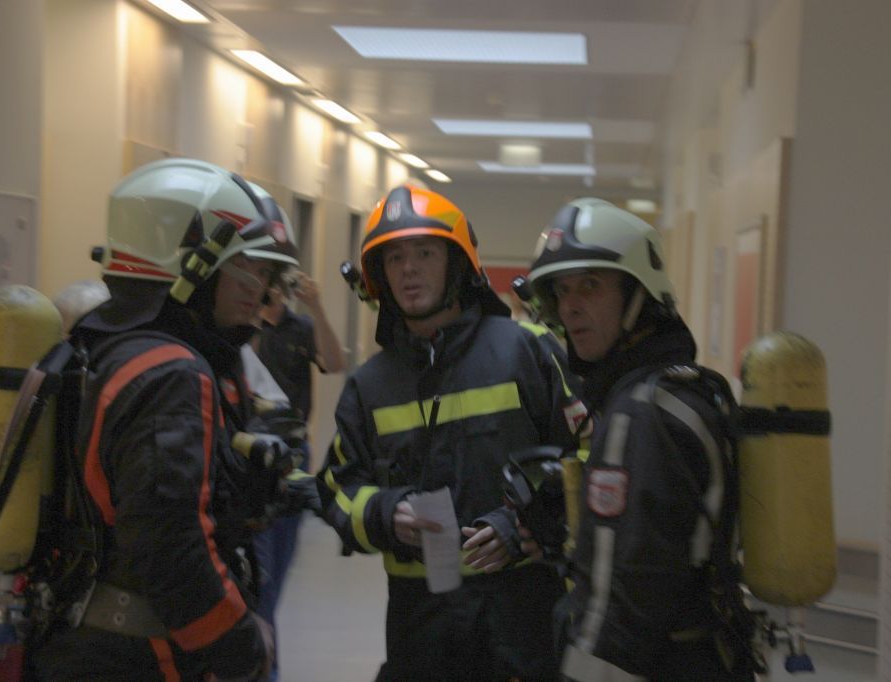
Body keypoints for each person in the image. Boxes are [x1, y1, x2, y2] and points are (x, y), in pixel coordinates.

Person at [32, 158, 301, 681]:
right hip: (137, 655)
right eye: (251, 268)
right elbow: (171, 547)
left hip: (78, 644)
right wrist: (240, 646)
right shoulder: (172, 374)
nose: (261, 290)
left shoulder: (99, 346)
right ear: (195, 263)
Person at [316, 184, 587, 682]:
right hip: (421, 626)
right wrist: (384, 512)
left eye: (425, 253)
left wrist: (527, 523)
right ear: (379, 275)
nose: (409, 269)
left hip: (522, 617)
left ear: (457, 264)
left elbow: (590, 455)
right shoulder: (369, 385)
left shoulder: (527, 351)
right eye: (394, 258)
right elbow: (337, 489)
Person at [522, 198, 754, 681]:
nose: (570, 306)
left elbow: (623, 601)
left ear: (637, 295)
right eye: (561, 290)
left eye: (590, 285)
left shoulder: (641, 414)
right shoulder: (681, 388)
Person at [251, 269, 343, 679]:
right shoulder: (245, 328)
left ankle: (266, 666)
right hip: (249, 456)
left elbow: (335, 363)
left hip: (291, 457)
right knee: (258, 577)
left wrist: (317, 307)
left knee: (273, 576)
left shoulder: (301, 327)